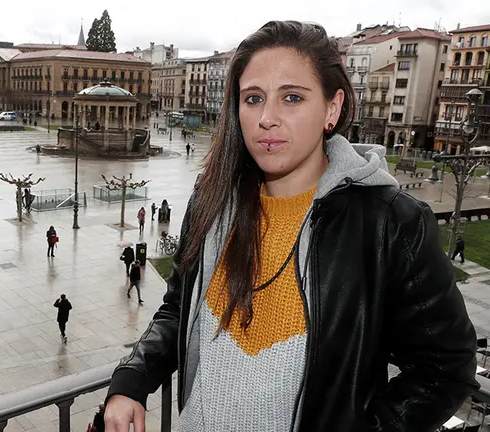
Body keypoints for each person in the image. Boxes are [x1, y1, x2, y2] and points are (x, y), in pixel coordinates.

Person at [103, 21, 477, 432]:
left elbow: (446, 367)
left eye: (292, 97)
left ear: (332, 108)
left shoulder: (390, 224)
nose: (267, 118)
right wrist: (134, 376)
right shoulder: (213, 200)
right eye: (253, 98)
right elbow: (179, 306)